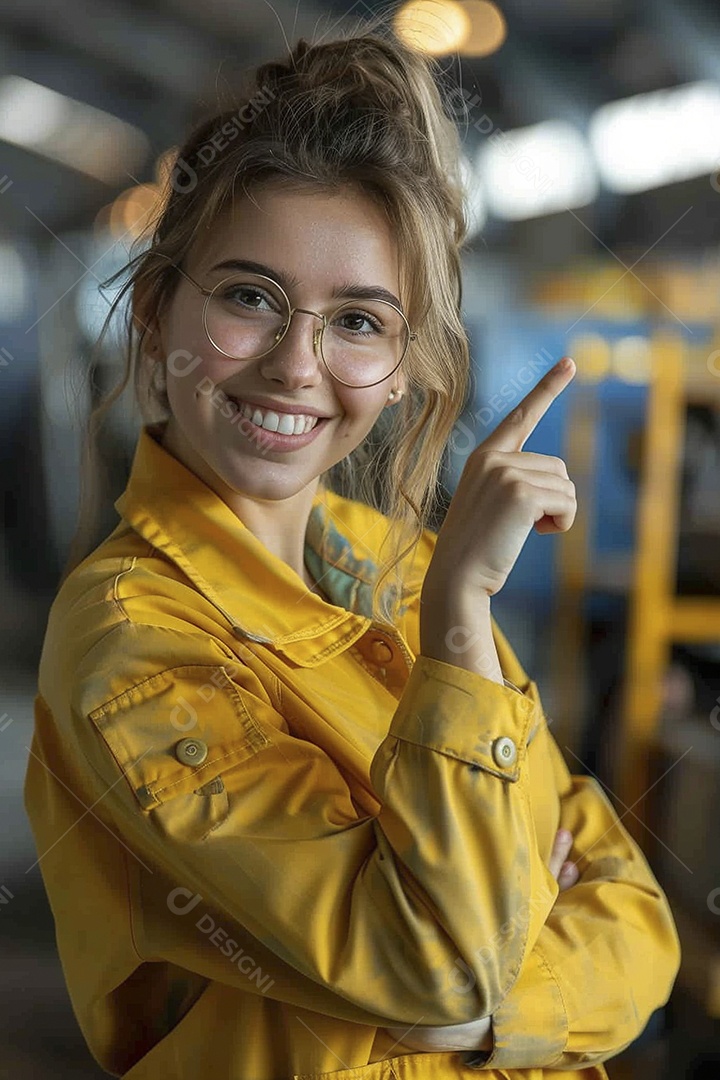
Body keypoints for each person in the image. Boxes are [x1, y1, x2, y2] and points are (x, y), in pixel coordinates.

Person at [24, 18, 680, 1080]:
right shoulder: (134, 636)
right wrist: (463, 626)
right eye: (249, 298)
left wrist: (481, 1014)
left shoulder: (394, 565)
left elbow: (642, 932)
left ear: (405, 364)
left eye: (359, 322)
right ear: (156, 312)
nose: (296, 364)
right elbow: (428, 967)